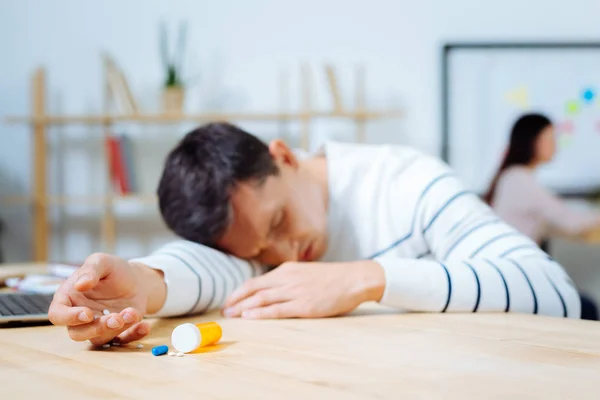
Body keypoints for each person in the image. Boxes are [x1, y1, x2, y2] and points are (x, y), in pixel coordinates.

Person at [49, 122, 581, 346]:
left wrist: (369, 279)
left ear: (283, 156)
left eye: (278, 222)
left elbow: (553, 293)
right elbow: (211, 270)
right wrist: (142, 284)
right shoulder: (250, 245)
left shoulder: (407, 182)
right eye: (258, 253)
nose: (282, 255)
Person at [485, 113, 600, 246]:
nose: (555, 146)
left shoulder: (513, 176)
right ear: (532, 141)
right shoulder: (519, 180)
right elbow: (571, 221)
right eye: (549, 139)